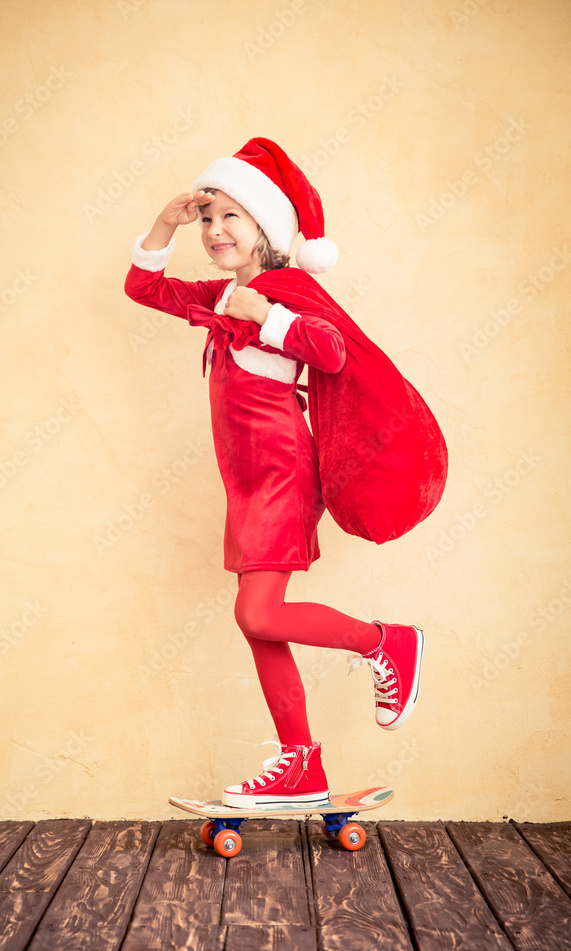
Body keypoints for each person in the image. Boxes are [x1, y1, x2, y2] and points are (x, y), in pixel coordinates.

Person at [125, 137, 423, 809]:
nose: (215, 229)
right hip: (249, 484)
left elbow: (332, 351)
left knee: (258, 612)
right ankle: (300, 767)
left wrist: (270, 315)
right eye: (207, 218)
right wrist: (163, 225)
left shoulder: (281, 288)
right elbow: (144, 287)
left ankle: (386, 644)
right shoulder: (226, 293)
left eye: (231, 216)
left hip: (282, 476)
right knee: (256, 621)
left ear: (266, 228)